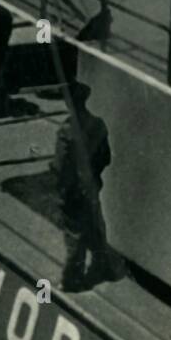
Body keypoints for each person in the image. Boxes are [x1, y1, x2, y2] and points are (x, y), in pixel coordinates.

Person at [51, 81, 122, 292]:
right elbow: (106, 158)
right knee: (93, 225)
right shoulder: (98, 124)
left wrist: (61, 189)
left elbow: (60, 165)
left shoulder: (66, 131)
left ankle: (71, 279)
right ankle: (105, 266)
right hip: (92, 185)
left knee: (74, 233)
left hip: (72, 190)